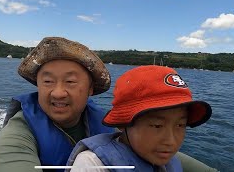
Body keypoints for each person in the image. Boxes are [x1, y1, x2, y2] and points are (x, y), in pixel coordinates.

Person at [0, 37, 114, 172]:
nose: (58, 93)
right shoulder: (16, 137)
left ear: (90, 88)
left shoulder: (111, 127)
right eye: (48, 81)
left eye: (70, 81)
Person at [67, 65, 215, 172]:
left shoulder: (169, 162)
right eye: (157, 126)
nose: (171, 141)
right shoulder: (93, 164)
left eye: (180, 125)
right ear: (122, 124)